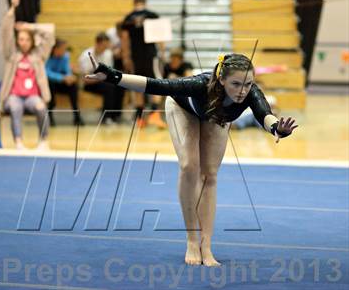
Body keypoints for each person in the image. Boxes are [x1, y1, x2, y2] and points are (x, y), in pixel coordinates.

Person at [85, 53, 298, 266]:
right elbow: (155, 85)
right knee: (189, 166)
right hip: (182, 110)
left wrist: (276, 128)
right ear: (222, 80)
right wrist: (113, 76)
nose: (242, 91)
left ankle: (206, 246)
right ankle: (192, 240)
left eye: (248, 84)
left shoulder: (250, 92)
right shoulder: (199, 84)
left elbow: (264, 113)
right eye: (236, 84)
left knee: (210, 175)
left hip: (215, 117)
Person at [0, 0, 55, 150]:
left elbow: (50, 32)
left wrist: (29, 27)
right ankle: (18, 141)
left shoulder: (39, 56)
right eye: (21, 39)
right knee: (16, 108)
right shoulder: (12, 55)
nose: (23, 42)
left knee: (41, 108)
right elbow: (5, 31)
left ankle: (43, 141)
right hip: (14, 96)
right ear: (17, 40)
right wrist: (12, 9)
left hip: (32, 96)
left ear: (32, 41)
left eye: (27, 39)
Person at [121, 0, 167, 129]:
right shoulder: (152, 16)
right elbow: (160, 38)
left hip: (136, 57)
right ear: (145, 1)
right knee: (157, 83)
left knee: (137, 86)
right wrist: (163, 52)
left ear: (134, 1)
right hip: (150, 55)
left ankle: (140, 119)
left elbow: (125, 40)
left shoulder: (128, 18)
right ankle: (154, 114)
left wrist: (126, 58)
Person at [78, 32, 119, 124]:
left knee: (118, 85)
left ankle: (114, 115)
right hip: (88, 85)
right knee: (109, 87)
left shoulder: (108, 54)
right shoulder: (86, 56)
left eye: (107, 46)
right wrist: (101, 77)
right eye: (104, 46)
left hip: (102, 81)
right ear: (97, 43)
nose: (105, 48)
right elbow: (85, 79)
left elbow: (109, 73)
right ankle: (107, 117)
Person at [46, 38, 84, 126]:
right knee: (50, 84)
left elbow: (67, 70)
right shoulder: (47, 57)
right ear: (55, 49)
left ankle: (77, 116)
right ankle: (50, 117)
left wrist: (69, 77)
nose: (64, 50)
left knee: (73, 86)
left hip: (62, 82)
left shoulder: (65, 56)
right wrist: (62, 78)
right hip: (51, 82)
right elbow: (47, 73)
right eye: (63, 48)